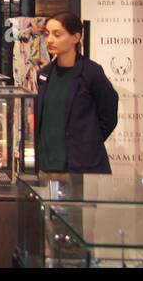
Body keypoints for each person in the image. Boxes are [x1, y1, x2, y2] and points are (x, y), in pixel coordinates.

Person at [35, 11, 119, 175]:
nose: (50, 40)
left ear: (76, 37)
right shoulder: (44, 74)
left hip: (82, 166)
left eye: (57, 34)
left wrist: (88, 140)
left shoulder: (91, 73)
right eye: (47, 34)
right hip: (47, 164)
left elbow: (108, 113)